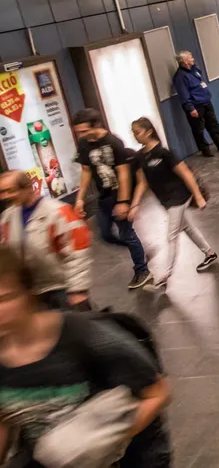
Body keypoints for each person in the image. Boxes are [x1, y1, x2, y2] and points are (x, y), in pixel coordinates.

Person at [0, 246, 172, 468]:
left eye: (5, 298)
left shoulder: (89, 338)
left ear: (29, 294)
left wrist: (93, 443)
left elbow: (158, 393)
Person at [128, 119, 217, 291]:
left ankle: (164, 276)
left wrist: (198, 196)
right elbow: (142, 183)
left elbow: (185, 174)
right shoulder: (140, 157)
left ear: (148, 132)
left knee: (172, 235)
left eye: (137, 132)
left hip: (180, 196)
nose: (135, 136)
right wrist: (134, 204)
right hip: (165, 199)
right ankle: (209, 253)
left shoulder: (164, 153)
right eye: (133, 133)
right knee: (186, 227)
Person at [72, 108, 152, 290]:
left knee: (126, 233)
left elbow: (123, 173)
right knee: (105, 234)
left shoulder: (113, 142)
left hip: (120, 194)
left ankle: (142, 270)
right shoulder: (84, 144)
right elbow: (86, 171)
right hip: (104, 195)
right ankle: (140, 251)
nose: (81, 135)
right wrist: (79, 199)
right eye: (78, 132)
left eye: (84, 131)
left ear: (96, 125)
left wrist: (124, 202)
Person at [0, 171, 91, 310]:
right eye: (2, 192)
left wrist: (78, 289)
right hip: (33, 291)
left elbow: (78, 252)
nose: (5, 196)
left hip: (62, 288)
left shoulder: (57, 211)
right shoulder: (8, 217)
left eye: (10, 191)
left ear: (28, 188)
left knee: (75, 328)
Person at [170, 51, 219, 157]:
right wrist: (190, 108)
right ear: (185, 61)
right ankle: (205, 150)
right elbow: (183, 95)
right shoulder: (180, 77)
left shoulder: (194, 70)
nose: (193, 59)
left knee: (214, 125)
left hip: (206, 102)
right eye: (191, 58)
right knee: (198, 129)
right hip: (195, 106)